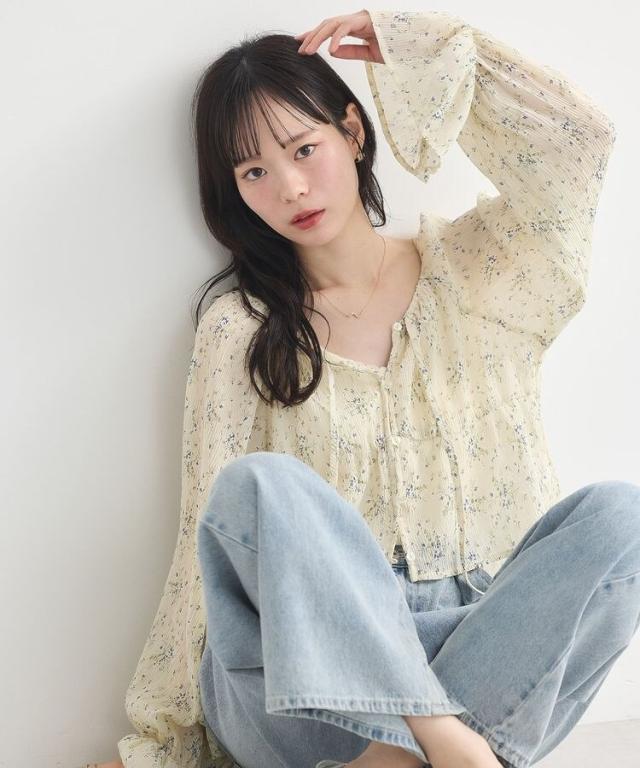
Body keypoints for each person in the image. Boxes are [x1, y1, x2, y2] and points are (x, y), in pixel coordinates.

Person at [87, 8, 640, 768]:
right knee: (259, 486)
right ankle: (437, 742)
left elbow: (579, 145)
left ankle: (395, 760)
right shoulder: (240, 329)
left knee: (622, 515)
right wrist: (163, 743)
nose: (289, 186)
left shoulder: (481, 273)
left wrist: (426, 52)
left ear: (352, 130)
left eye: (303, 148)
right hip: (309, 686)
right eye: (253, 172)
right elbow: (203, 545)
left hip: (482, 651)